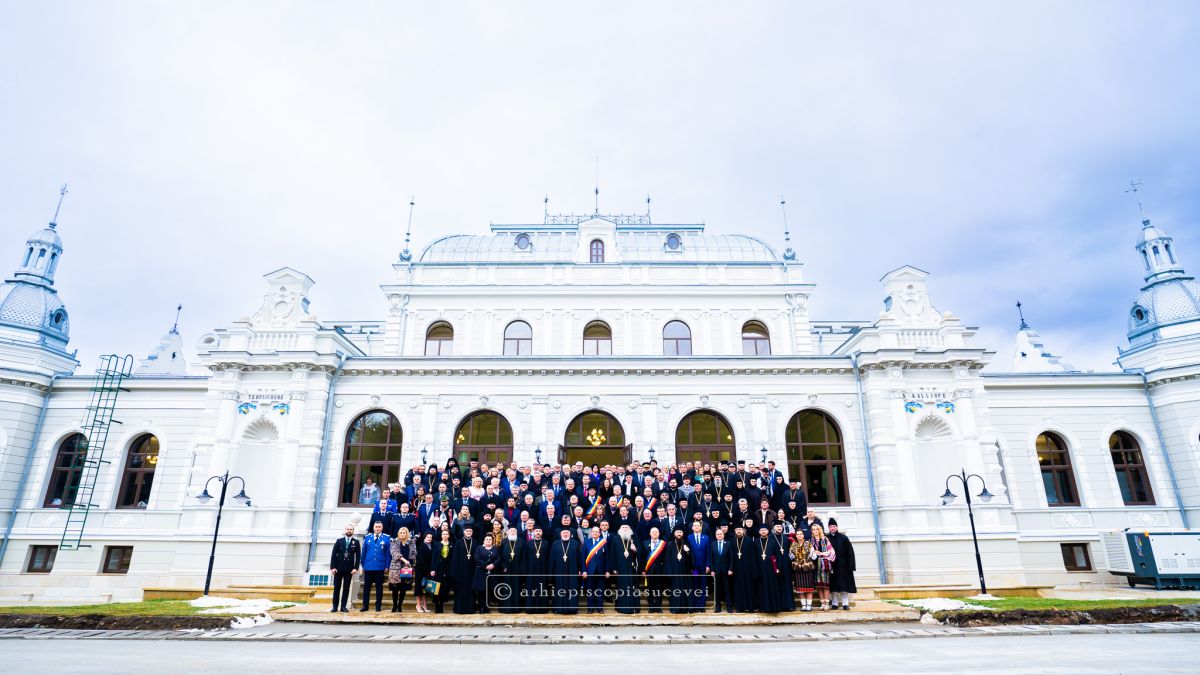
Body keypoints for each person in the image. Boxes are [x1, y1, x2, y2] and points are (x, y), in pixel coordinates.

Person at [549, 528, 582, 614]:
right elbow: (551, 559)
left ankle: (572, 609)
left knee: (572, 589)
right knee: (559, 589)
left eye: (567, 533)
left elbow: (579, 558)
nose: (565, 534)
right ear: (560, 534)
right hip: (558, 571)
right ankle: (559, 608)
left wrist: (579, 569)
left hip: (572, 570)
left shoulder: (575, 543)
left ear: (570, 534)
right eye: (563, 533)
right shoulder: (555, 544)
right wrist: (551, 572)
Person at [360, 520, 391, 612]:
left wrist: (387, 566)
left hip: (380, 566)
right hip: (368, 566)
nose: (377, 528)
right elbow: (364, 552)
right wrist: (363, 564)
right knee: (367, 588)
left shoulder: (386, 538)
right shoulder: (367, 537)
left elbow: (388, 554)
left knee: (379, 588)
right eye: (376, 527)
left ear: (382, 528)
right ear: (373, 528)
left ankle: (378, 606)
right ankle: (365, 606)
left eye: (379, 527)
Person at [328, 524, 360, 613]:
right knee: (336, 588)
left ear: (353, 531)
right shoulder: (339, 541)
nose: (349, 530)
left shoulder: (356, 542)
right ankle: (335, 607)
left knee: (346, 589)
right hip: (338, 569)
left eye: (351, 529)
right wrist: (332, 567)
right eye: (348, 529)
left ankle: (343, 607)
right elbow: (333, 555)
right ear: (345, 530)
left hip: (349, 570)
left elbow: (358, 557)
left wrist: (355, 568)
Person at [609, 524, 640, 614]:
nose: (625, 529)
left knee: (632, 588)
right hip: (620, 568)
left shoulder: (634, 538)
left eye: (627, 527)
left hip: (631, 568)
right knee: (621, 587)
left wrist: (635, 550)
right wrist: (614, 568)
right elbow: (612, 554)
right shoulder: (615, 539)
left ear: (630, 529)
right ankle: (621, 608)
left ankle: (633, 608)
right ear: (620, 529)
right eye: (623, 527)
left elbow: (641, 550)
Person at [827, 518, 857, 611]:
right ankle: (835, 604)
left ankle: (845, 604)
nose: (832, 528)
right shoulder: (826, 538)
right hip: (832, 566)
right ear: (828, 528)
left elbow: (850, 552)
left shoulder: (844, 538)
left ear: (837, 527)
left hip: (844, 566)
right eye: (831, 526)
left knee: (844, 585)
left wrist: (851, 565)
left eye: (834, 526)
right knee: (833, 586)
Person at [663, 528, 693, 614]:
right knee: (674, 591)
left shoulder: (687, 543)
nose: (679, 534)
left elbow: (691, 560)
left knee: (685, 591)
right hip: (674, 573)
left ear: (683, 533)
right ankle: (674, 609)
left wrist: (688, 552)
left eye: (680, 532)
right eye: (677, 532)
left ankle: (685, 609)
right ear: (674, 534)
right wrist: (668, 573)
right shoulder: (669, 544)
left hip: (685, 572)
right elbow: (667, 559)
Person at [753, 524, 782, 613]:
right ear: (759, 532)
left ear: (768, 531)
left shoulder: (772, 541)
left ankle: (774, 607)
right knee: (762, 588)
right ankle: (763, 607)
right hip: (760, 569)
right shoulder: (756, 542)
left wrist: (778, 567)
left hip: (771, 569)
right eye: (761, 530)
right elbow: (753, 557)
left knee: (772, 587)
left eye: (765, 530)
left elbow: (777, 555)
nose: (763, 531)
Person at [729, 525, 758, 612]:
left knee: (749, 587)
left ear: (743, 531)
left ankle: (750, 607)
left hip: (748, 569)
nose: (738, 531)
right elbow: (731, 556)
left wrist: (753, 569)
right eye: (737, 529)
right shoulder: (732, 541)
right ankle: (740, 607)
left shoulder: (749, 541)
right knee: (738, 588)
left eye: (740, 529)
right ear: (735, 531)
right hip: (737, 569)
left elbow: (753, 556)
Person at [449, 525, 477, 614]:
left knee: (471, 591)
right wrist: (455, 572)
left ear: (472, 532)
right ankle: (459, 609)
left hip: (472, 571)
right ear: (464, 532)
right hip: (460, 571)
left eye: (470, 531)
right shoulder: (458, 543)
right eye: (467, 531)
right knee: (460, 590)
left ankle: (470, 609)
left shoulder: (476, 543)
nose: (469, 532)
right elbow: (454, 559)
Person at [387, 527, 416, 612]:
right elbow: (394, 552)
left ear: (407, 533)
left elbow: (414, 553)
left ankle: (400, 605)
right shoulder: (394, 541)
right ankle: (394, 605)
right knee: (395, 588)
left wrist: (409, 562)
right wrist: (404, 560)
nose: (402, 534)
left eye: (404, 532)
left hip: (407, 568)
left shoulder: (411, 542)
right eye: (401, 532)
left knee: (404, 588)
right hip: (395, 568)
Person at [581, 526, 609, 613]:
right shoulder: (586, 543)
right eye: (593, 531)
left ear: (599, 533)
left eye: (597, 531)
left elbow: (608, 557)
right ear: (591, 533)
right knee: (590, 590)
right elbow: (583, 558)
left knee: (600, 590)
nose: (595, 533)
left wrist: (607, 570)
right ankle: (590, 608)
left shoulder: (604, 542)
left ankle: (600, 608)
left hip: (601, 571)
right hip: (590, 571)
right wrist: (584, 570)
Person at [523, 527, 551, 613]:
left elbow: (549, 558)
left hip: (543, 570)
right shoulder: (529, 543)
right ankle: (530, 608)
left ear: (542, 533)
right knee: (531, 589)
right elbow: (525, 558)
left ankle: (542, 609)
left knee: (542, 588)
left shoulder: (546, 543)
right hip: (531, 571)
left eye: (539, 531)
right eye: (536, 531)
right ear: (533, 533)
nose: (538, 532)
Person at [499, 526, 525, 614]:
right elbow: (500, 556)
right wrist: (503, 567)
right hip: (506, 570)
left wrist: (521, 568)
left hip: (517, 570)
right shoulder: (504, 541)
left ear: (516, 532)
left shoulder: (521, 541)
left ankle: (516, 608)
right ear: (508, 532)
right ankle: (506, 608)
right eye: (511, 531)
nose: (513, 532)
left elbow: (524, 556)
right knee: (506, 588)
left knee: (517, 588)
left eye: (514, 530)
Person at [810, 523, 836, 611]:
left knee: (826, 585)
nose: (815, 531)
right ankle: (822, 603)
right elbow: (810, 553)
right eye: (813, 529)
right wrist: (813, 553)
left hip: (825, 564)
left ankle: (827, 603)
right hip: (816, 564)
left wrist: (821, 553)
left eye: (816, 529)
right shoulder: (811, 541)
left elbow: (831, 551)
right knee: (819, 585)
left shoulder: (825, 539)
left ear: (819, 530)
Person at [474, 533, 501, 613]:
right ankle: (481, 607)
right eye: (487, 539)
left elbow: (498, 558)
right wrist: (485, 566)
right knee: (481, 591)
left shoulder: (496, 549)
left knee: (489, 590)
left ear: (492, 541)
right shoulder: (479, 548)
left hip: (492, 573)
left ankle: (487, 607)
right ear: (484, 541)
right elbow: (477, 558)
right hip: (481, 573)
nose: (488, 541)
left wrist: (493, 565)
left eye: (490, 539)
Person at [642, 526, 667, 613]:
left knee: (659, 589)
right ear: (650, 534)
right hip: (649, 570)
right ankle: (652, 606)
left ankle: (658, 606)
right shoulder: (645, 543)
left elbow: (665, 558)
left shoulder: (663, 544)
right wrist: (643, 570)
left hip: (660, 570)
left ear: (659, 533)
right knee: (650, 588)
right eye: (653, 532)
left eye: (656, 532)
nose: (655, 533)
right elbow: (642, 558)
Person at [709, 527, 733, 613]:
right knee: (717, 590)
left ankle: (729, 607)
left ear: (723, 535)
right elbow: (711, 558)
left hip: (726, 571)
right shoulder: (712, 544)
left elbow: (731, 558)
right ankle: (718, 607)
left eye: (721, 534)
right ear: (715, 536)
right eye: (718, 534)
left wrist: (730, 569)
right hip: (716, 570)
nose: (719, 535)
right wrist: (712, 570)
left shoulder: (728, 543)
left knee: (727, 589)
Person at [429, 528, 453, 613]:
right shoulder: (437, 544)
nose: (445, 535)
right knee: (437, 587)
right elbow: (434, 557)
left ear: (449, 535)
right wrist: (432, 569)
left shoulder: (452, 545)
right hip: (438, 568)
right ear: (441, 535)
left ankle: (442, 605)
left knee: (444, 587)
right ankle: (437, 606)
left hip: (447, 568)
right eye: (443, 534)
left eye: (446, 534)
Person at [790, 531, 816, 611]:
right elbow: (790, 557)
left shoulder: (808, 544)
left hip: (807, 568)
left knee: (809, 588)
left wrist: (812, 554)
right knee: (800, 589)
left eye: (801, 534)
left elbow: (814, 557)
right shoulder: (793, 544)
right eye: (797, 534)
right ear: (796, 536)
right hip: (798, 568)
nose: (799, 535)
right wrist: (792, 556)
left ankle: (809, 605)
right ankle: (803, 605)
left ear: (803, 535)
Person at [688, 520, 710, 612]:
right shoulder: (688, 538)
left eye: (698, 525)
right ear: (692, 527)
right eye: (695, 525)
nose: (697, 527)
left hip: (703, 567)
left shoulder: (706, 537)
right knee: (695, 585)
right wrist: (690, 567)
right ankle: (695, 605)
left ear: (701, 527)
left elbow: (709, 553)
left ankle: (702, 605)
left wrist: (708, 565)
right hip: (694, 568)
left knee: (703, 585)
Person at [414, 531, 434, 613]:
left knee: (425, 589)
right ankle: (418, 605)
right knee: (419, 589)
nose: (429, 538)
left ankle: (425, 606)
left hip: (427, 571)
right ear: (424, 538)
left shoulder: (432, 546)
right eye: (427, 537)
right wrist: (427, 571)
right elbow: (421, 561)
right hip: (420, 571)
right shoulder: (421, 547)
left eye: (430, 537)